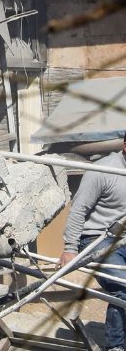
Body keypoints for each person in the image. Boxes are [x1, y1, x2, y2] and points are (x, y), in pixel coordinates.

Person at [60, 133, 126, 351]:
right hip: (97, 239)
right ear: (125, 145)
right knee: (122, 287)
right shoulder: (103, 170)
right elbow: (79, 210)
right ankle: (116, 346)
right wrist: (69, 249)